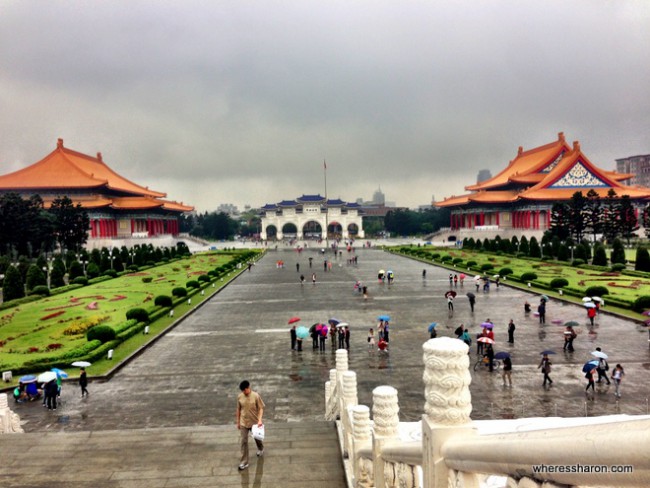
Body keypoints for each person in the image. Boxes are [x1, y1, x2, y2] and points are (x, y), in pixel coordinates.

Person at [236, 380, 265, 471]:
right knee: (244, 441)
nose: (244, 392)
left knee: (257, 438)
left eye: (245, 390)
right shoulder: (240, 397)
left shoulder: (256, 396)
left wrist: (259, 420)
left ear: (249, 388)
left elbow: (261, 408)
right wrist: (238, 422)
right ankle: (244, 462)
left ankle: (260, 448)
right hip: (243, 422)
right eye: (243, 391)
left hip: (254, 422)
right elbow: (238, 410)